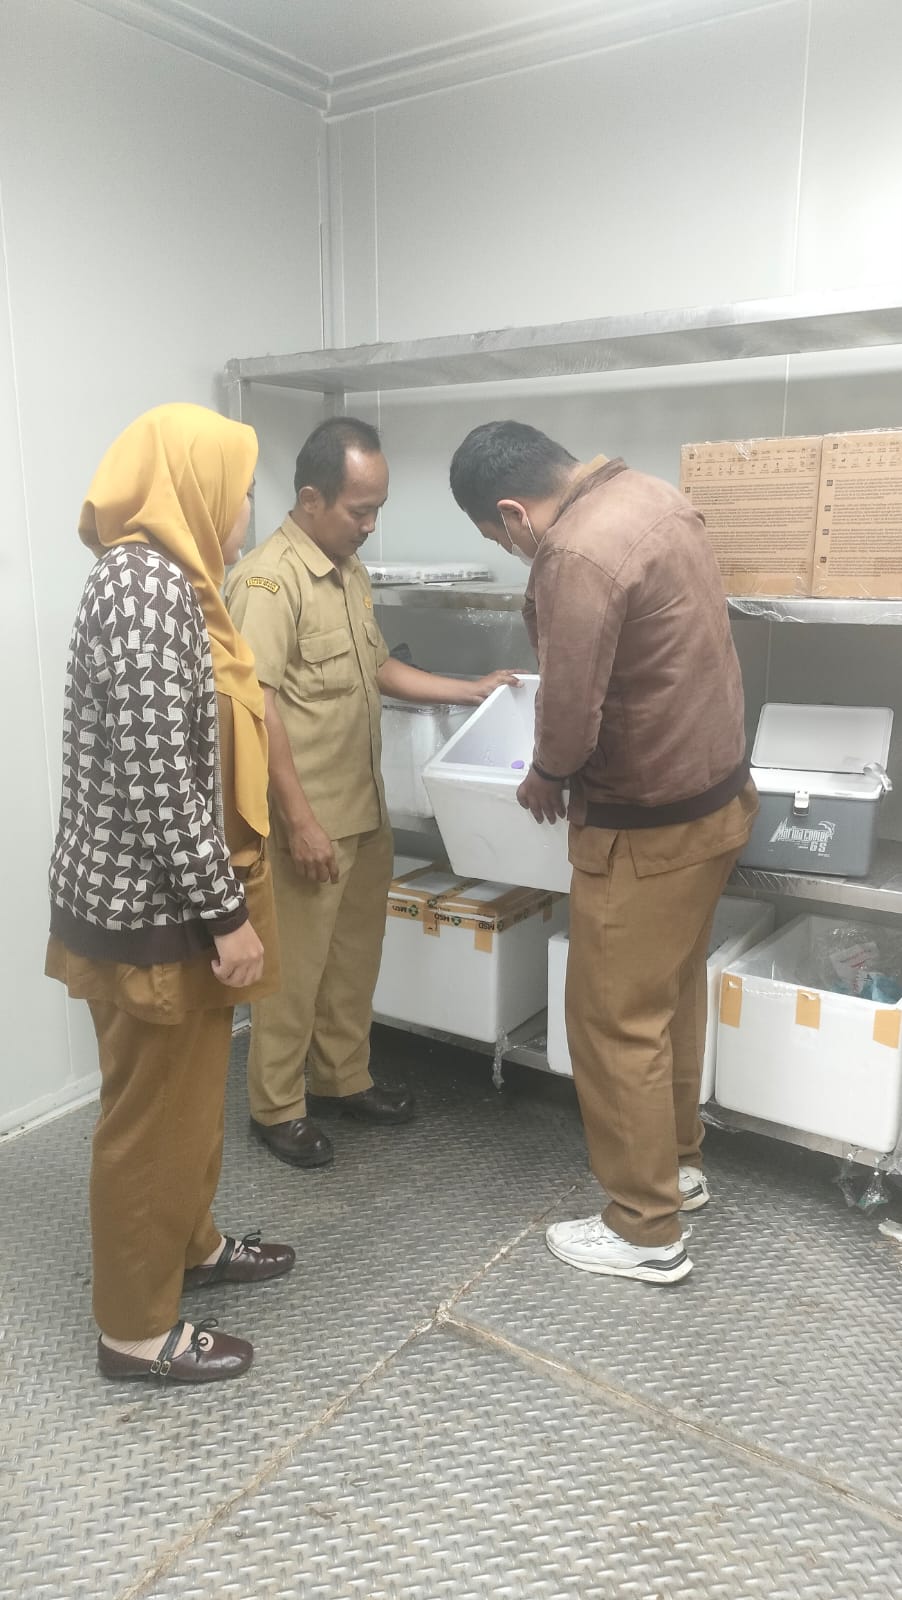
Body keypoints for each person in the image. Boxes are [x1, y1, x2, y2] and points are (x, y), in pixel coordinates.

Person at [449, 420, 758, 1285]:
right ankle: (678, 1167)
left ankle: (644, 1227)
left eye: (500, 540)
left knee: (611, 1021)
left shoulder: (577, 554)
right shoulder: (653, 497)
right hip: (716, 800)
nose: (512, 551)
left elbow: (570, 708)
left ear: (514, 512)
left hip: (645, 826)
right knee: (669, 998)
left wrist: (545, 776)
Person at [46, 403, 294, 1384]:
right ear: (194, 485)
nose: (246, 510)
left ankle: (191, 1244)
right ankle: (136, 1330)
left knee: (187, 1105)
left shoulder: (180, 583)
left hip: (178, 900)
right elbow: (159, 782)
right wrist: (225, 917)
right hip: (156, 914)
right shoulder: (145, 588)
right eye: (241, 491)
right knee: (150, 1123)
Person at [225, 416, 517, 1170]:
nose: (371, 525)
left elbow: (378, 666)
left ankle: (342, 1079)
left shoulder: (347, 569)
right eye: (360, 510)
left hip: (362, 808)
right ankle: (277, 1107)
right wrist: (298, 822)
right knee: (294, 974)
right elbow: (257, 710)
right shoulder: (267, 581)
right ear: (312, 499)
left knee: (354, 961)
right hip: (306, 818)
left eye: (378, 508)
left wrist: (469, 690)